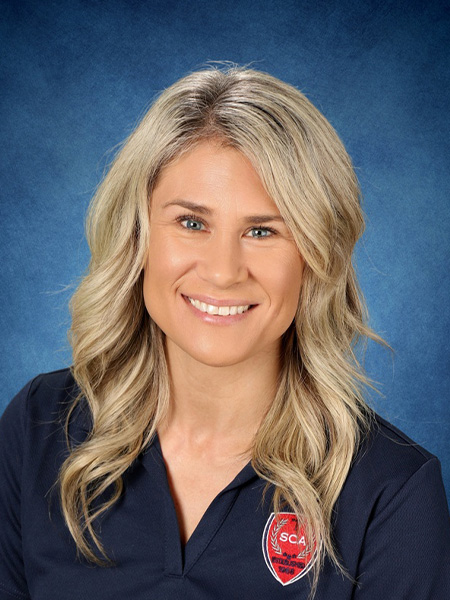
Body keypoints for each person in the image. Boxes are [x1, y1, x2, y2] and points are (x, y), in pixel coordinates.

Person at [0, 65, 449, 600]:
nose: (222, 271)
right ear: (137, 236)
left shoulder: (391, 493)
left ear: (315, 258)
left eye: (262, 231)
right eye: (192, 223)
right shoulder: (39, 428)